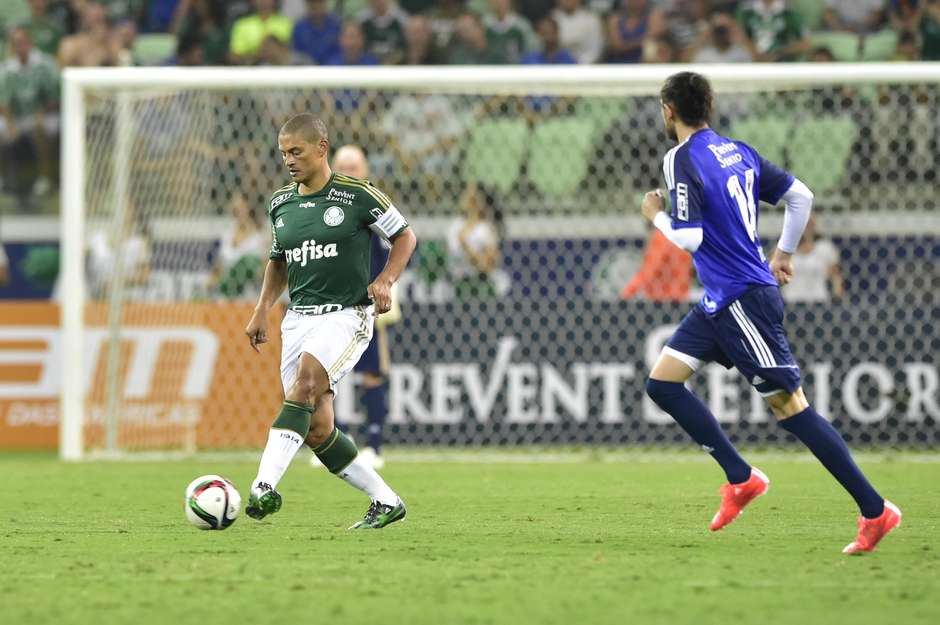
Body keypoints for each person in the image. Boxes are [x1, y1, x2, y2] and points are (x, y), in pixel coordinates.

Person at [641, 72, 900, 554]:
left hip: (742, 300)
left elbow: (689, 238)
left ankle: (875, 510)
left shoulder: (680, 158)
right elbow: (801, 196)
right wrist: (783, 253)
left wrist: (654, 213)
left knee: (791, 409)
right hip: (721, 300)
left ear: (668, 110)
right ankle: (741, 478)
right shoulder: (739, 151)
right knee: (662, 383)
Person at [244, 114, 416, 529]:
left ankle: (263, 486)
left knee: (305, 385)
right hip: (298, 319)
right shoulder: (280, 203)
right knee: (318, 429)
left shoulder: (358, 195)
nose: (288, 160)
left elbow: (405, 236)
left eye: (296, 151)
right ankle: (386, 501)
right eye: (283, 153)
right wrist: (262, 308)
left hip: (346, 314)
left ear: (321, 148)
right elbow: (278, 261)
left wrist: (385, 279)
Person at [332, 144, 396, 470]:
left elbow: (401, 244)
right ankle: (336, 441)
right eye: (342, 167)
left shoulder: (377, 205)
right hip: (331, 304)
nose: (348, 173)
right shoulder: (324, 207)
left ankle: (374, 445)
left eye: (354, 167)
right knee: (328, 374)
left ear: (366, 170)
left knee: (371, 372)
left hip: (369, 305)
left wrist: (384, 284)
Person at [446, 183, 502, 299]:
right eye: (469, 198)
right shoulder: (454, 227)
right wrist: (478, 258)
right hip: (460, 281)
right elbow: (453, 255)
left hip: (481, 282)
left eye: (475, 199)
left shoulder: (485, 228)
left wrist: (467, 247)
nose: (472, 203)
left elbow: (490, 264)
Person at [781, 214, 844, 303]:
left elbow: (836, 276)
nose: (806, 227)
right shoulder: (783, 249)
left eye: (810, 224)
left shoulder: (825, 248)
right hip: (791, 300)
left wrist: (837, 297)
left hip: (818, 300)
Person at [620, 227, 692, 302]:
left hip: (661, 299)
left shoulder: (662, 235)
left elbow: (648, 273)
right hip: (681, 298)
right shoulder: (683, 235)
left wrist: (624, 296)